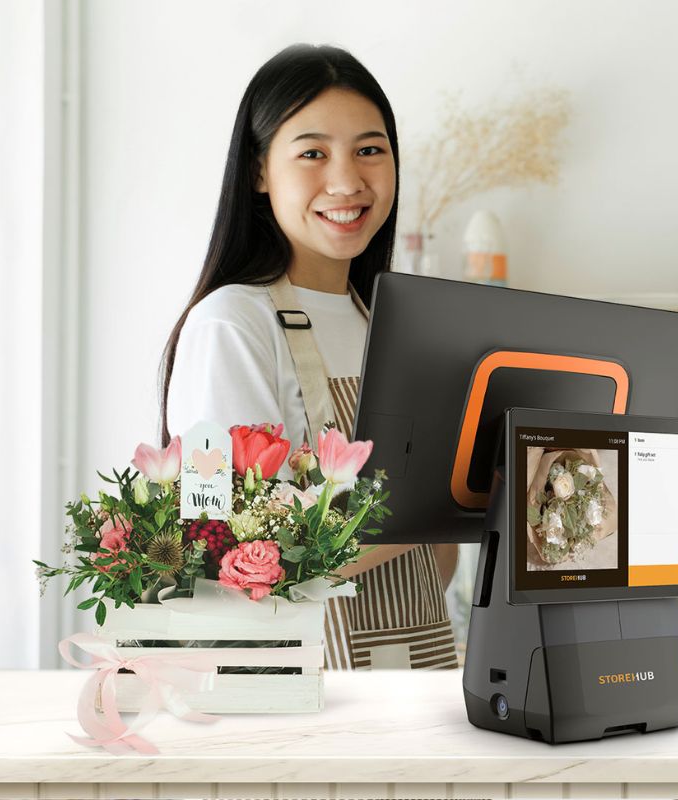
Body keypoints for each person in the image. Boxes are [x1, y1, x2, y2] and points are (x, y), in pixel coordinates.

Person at [159, 44, 458, 670]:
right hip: (295, 691)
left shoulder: (392, 325)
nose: (347, 181)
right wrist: (437, 505)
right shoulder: (230, 324)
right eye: (313, 153)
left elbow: (437, 560)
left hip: (418, 683)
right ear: (259, 171)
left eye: (370, 150)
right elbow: (224, 542)